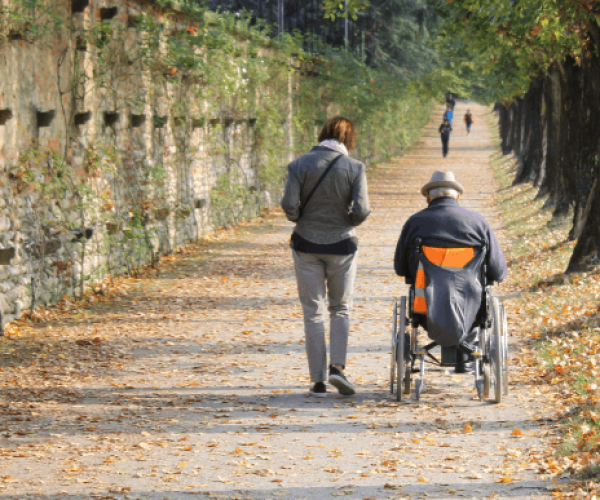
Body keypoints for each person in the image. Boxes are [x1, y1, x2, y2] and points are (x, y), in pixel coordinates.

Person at [281, 116, 371, 397]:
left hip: (306, 244)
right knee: (340, 308)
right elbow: (363, 209)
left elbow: (289, 205)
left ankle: (318, 380)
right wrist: (347, 222)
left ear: (321, 135)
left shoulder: (299, 164)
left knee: (313, 313)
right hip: (342, 246)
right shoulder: (355, 167)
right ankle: (338, 368)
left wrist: (300, 217)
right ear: (348, 140)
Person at [393, 171, 507, 372]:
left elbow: (400, 268)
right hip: (471, 308)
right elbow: (498, 272)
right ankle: (465, 357)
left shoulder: (415, 223)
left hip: (424, 306)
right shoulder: (478, 223)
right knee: (472, 291)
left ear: (429, 197)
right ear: (457, 196)